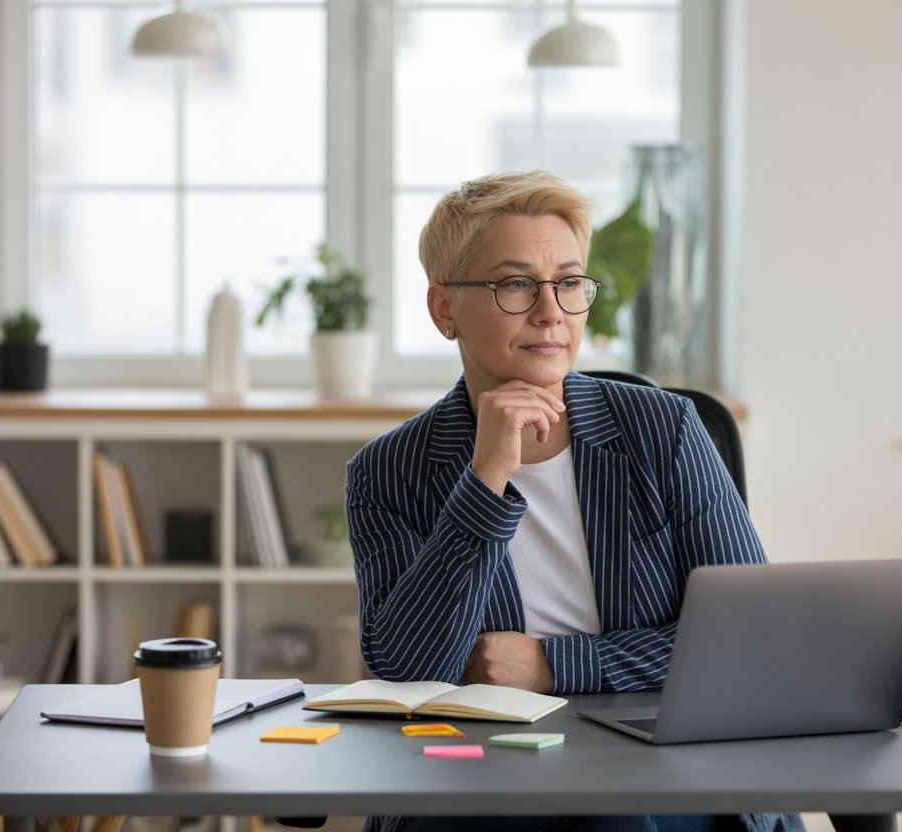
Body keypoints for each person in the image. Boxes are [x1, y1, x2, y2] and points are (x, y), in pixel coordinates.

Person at [345, 171, 844, 832]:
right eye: (516, 284)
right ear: (445, 310)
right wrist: (487, 477)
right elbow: (411, 671)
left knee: (623, 813)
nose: (551, 311)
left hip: (657, 759)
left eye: (570, 282)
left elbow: (750, 644)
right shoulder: (388, 472)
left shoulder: (663, 431)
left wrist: (553, 664)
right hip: (474, 773)